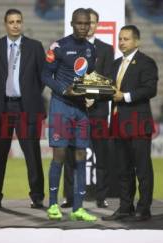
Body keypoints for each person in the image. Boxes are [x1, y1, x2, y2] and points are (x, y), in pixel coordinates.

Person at [0, 9, 46, 209]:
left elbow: (41, 78)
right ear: (5, 24)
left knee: (32, 154)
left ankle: (37, 197)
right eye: (11, 21)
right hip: (1, 108)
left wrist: (27, 95)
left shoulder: (35, 47)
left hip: (26, 109)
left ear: (22, 23)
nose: (15, 25)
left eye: (18, 21)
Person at [42, 8, 97, 221]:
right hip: (61, 107)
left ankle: (78, 208)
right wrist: (65, 90)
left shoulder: (92, 50)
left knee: (81, 156)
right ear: (72, 24)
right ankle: (53, 204)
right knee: (60, 155)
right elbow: (45, 75)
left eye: (87, 24)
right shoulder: (59, 46)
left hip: (81, 110)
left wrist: (93, 93)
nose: (83, 27)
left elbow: (89, 77)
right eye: (80, 23)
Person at [102, 25, 158, 221]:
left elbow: (150, 89)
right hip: (117, 123)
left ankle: (144, 208)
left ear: (137, 41)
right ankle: (126, 207)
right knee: (123, 169)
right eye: (120, 39)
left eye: (126, 39)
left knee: (142, 169)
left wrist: (124, 96)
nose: (122, 42)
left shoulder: (146, 62)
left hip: (138, 123)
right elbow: (107, 88)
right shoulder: (115, 64)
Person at [62, 8, 114, 209]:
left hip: (99, 111)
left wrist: (92, 95)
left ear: (97, 25)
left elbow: (109, 79)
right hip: (74, 109)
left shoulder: (106, 49)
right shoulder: (68, 47)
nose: (88, 26)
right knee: (70, 154)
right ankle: (68, 196)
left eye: (92, 22)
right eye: (85, 22)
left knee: (101, 155)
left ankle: (101, 197)